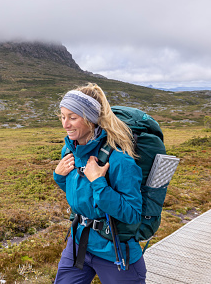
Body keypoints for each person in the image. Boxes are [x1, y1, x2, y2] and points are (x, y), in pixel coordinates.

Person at [53, 83, 146, 284]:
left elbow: (132, 214)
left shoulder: (119, 160)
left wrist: (98, 182)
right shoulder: (69, 152)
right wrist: (60, 177)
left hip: (114, 250)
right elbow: (81, 198)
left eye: (73, 117)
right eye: (62, 116)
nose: (65, 124)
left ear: (91, 119)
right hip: (78, 243)